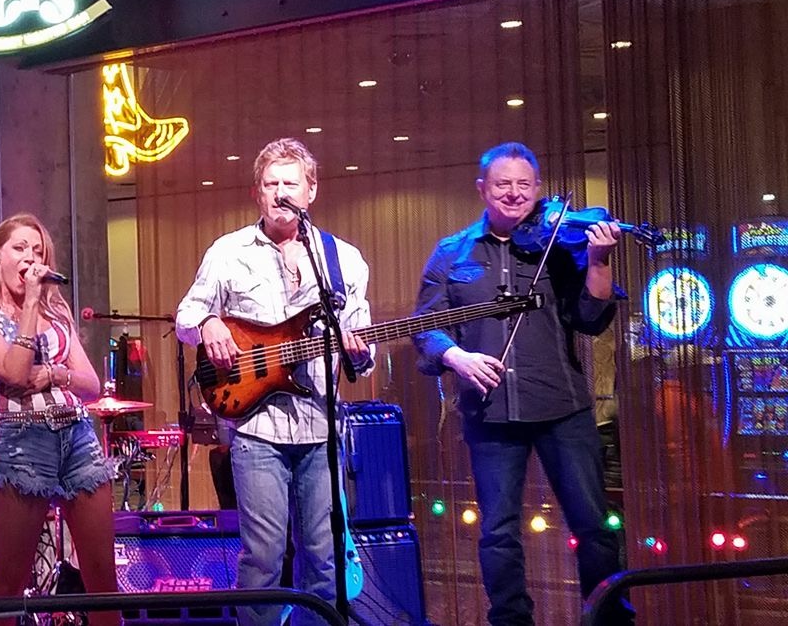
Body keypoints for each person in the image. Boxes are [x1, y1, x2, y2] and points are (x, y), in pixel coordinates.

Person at [412, 142, 632, 625]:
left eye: (523, 185)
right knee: (498, 532)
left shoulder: (561, 246)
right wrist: (458, 357)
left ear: (537, 188)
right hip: (490, 411)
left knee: (593, 526)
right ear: (482, 189)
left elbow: (591, 319)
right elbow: (425, 327)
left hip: (562, 406)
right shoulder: (451, 252)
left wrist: (598, 261)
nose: (513, 193)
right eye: (502, 184)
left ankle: (611, 620)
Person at [176, 137, 373, 626]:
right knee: (262, 556)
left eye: (290, 183)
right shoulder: (228, 251)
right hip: (257, 429)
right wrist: (208, 323)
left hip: (321, 428)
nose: (281, 192)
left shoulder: (342, 259)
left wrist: (360, 351)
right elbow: (186, 314)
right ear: (256, 193)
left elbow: (361, 348)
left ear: (311, 191)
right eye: (271, 184)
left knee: (324, 556)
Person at [0, 213, 119, 626]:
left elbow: (90, 384)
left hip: (77, 435)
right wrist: (29, 303)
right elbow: (14, 370)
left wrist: (55, 374)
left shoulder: (57, 310)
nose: (31, 257)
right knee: (9, 585)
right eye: (20, 248)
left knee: (103, 581)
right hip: (23, 440)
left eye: (38, 250)